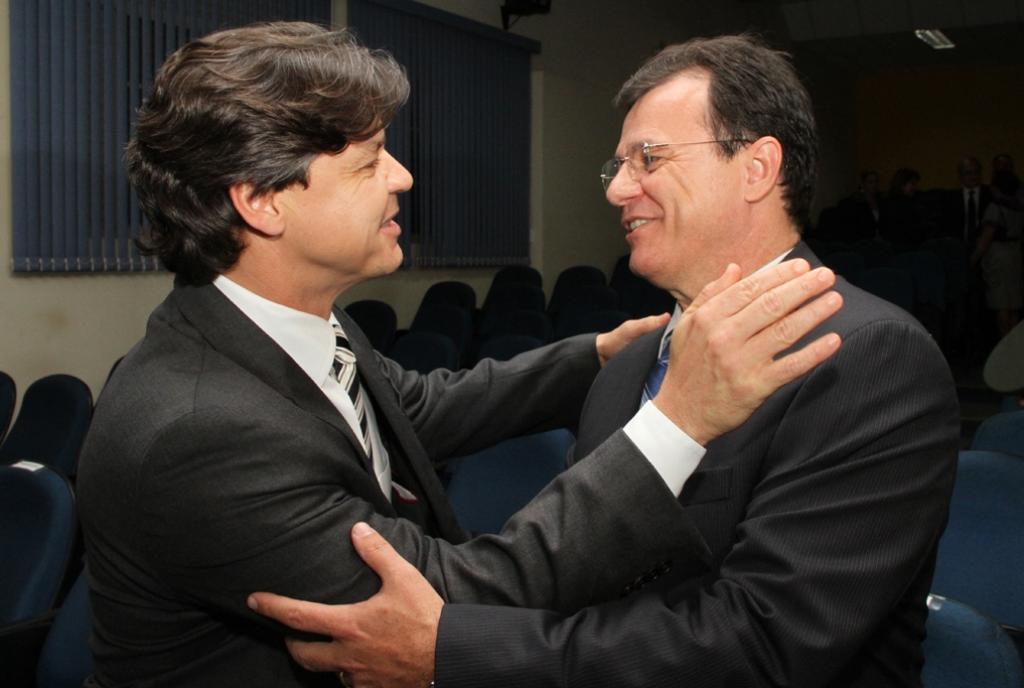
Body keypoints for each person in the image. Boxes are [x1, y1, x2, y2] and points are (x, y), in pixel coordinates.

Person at [76, 24, 843, 688]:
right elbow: (448, 603)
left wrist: (597, 354)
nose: (402, 178)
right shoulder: (199, 427)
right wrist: (676, 422)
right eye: (371, 161)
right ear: (263, 201)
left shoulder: (291, 329)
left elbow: (417, 410)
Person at [250, 34, 960, 688]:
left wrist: (454, 648)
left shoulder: (869, 359)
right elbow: (578, 575)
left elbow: (766, 646)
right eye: (617, 165)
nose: (617, 189)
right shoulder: (627, 367)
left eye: (648, 159)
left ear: (757, 168)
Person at [973, 169, 1024, 337]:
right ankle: (1015, 342)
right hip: (1016, 254)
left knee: (1002, 302)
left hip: (999, 257)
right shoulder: (1019, 206)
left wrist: (973, 259)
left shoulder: (995, 208)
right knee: (1014, 301)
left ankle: (1005, 341)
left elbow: (986, 238)